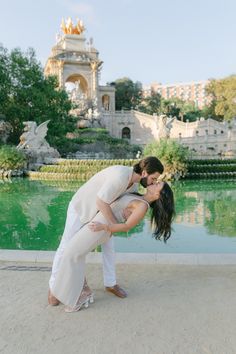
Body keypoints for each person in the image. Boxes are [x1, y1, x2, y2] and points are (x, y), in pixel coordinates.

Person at [48, 157, 164, 305]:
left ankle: (110, 283)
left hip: (101, 217)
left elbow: (120, 204)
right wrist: (113, 226)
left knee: (109, 248)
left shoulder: (133, 186)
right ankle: (53, 288)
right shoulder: (120, 175)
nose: (153, 182)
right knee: (65, 246)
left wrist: (116, 223)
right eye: (153, 178)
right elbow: (100, 201)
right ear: (144, 173)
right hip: (82, 208)